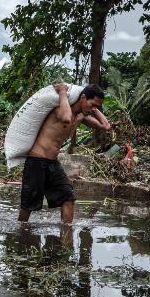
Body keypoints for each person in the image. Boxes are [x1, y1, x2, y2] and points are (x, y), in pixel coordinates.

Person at [18, 83, 111, 224]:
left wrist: (94, 108)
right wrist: (62, 92)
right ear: (83, 97)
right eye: (92, 104)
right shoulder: (60, 109)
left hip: (52, 162)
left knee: (68, 198)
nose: (93, 109)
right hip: (36, 161)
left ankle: (66, 238)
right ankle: (20, 231)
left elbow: (106, 126)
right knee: (28, 205)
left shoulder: (81, 116)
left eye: (96, 106)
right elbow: (66, 118)